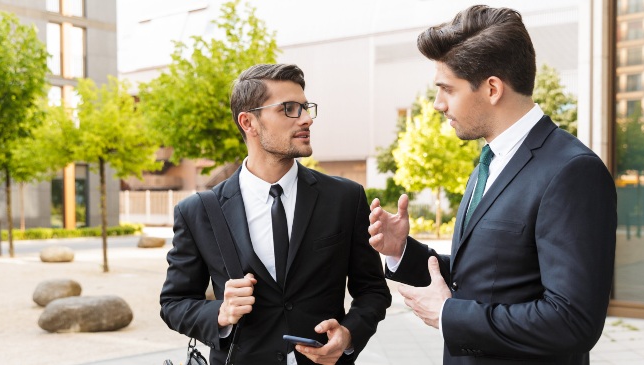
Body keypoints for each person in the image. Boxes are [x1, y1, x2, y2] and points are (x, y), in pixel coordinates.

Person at [367, 5, 616, 365]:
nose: (438, 104)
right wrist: (403, 250)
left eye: (447, 90)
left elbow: (573, 322)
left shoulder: (573, 172)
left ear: (493, 89)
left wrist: (448, 315)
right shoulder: (491, 160)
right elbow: (486, 276)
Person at [160, 63, 391, 365]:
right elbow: (174, 303)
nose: (306, 119)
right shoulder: (198, 211)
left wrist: (348, 334)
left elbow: (373, 291)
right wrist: (221, 312)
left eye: (306, 108)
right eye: (289, 109)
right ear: (249, 122)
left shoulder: (345, 198)